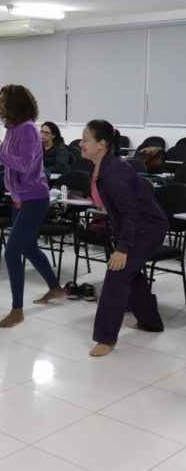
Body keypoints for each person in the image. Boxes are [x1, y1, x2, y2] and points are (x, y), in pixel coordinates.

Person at [0, 85, 65, 328]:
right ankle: (56, 288)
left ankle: (17, 310)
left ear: (16, 104)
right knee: (28, 248)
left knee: (13, 251)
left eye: (4, 100)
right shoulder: (12, 129)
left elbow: (24, 165)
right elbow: (9, 163)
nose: (0, 104)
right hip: (20, 198)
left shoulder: (27, 130)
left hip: (35, 198)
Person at [81, 120, 169, 357]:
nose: (81, 144)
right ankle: (151, 323)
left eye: (85, 140)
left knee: (116, 276)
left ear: (102, 144)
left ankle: (105, 338)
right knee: (132, 274)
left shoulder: (114, 172)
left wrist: (123, 248)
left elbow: (131, 214)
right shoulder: (99, 167)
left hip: (147, 228)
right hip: (132, 227)